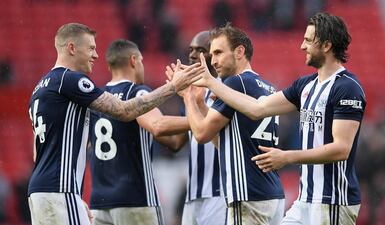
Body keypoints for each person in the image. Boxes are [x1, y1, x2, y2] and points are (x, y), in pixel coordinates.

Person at [194, 12, 365, 225]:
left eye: (308, 41)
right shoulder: (305, 85)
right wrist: (212, 84)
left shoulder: (347, 88)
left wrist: (287, 157)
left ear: (327, 45)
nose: (302, 46)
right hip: (305, 200)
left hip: (333, 200)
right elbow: (257, 108)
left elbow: (341, 149)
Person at [27, 22, 204, 225]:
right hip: (79, 192)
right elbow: (125, 111)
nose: (95, 55)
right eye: (91, 48)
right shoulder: (71, 80)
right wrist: (174, 87)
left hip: (45, 192)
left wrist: (72, 197)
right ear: (72, 48)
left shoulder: (40, 88)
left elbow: (37, 151)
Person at [177, 24, 285, 225]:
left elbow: (201, 134)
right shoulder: (267, 87)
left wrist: (188, 98)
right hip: (273, 193)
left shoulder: (234, 84)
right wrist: (201, 103)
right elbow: (224, 141)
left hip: (248, 193)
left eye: (218, 52)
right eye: (211, 54)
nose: (213, 60)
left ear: (239, 52)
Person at [89, 39, 189, 225]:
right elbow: (157, 125)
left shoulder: (97, 99)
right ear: (134, 60)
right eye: (142, 61)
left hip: (99, 201)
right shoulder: (136, 92)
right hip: (134, 198)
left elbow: (174, 143)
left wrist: (189, 109)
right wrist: (200, 120)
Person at [180, 31, 226, 225]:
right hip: (193, 193)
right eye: (191, 49)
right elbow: (176, 142)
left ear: (214, 55)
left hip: (219, 193)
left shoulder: (226, 90)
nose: (192, 55)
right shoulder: (192, 91)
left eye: (201, 50)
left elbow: (212, 134)